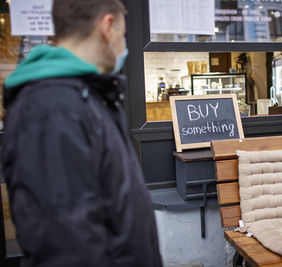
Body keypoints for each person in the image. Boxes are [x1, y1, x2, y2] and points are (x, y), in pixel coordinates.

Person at [2, 0, 162, 266]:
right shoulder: (51, 109)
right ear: (107, 27)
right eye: (123, 35)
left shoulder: (87, 97)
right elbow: (67, 245)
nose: (124, 47)